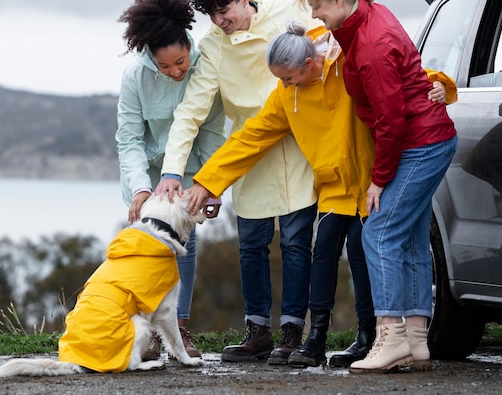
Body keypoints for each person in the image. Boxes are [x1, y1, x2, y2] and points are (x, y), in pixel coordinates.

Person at [184, 22, 456, 367]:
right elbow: (249, 139)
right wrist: (209, 181)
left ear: (309, 65)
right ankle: (315, 340)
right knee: (323, 259)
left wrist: (440, 85)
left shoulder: (347, 66)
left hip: (374, 184)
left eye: (288, 78)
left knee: (362, 258)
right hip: (332, 189)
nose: (283, 85)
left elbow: (405, 76)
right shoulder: (286, 96)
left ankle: (368, 338)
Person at [154, 0, 320, 365]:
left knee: (298, 242)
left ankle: (293, 331)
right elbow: (191, 111)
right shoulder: (212, 45)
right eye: (210, 14)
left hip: (300, 145)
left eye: (224, 11)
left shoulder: (289, 11)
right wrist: (172, 171)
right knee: (251, 245)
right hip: (248, 148)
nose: (218, 21)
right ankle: (258, 330)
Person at [296, 0, 458, 374]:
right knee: (413, 237)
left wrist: (379, 180)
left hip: (420, 143)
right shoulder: (366, 15)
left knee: (380, 231)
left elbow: (391, 120)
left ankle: (391, 337)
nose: (314, 15)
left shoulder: (371, 43)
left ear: (336, 1)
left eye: (316, 6)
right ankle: (417, 340)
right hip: (428, 138)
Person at [115, 0, 226, 359]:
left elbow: (211, 131)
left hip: (191, 174)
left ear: (188, 48)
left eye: (181, 62)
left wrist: (212, 184)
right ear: (150, 57)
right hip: (148, 178)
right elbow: (129, 140)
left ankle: (177, 329)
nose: (176, 71)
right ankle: (144, 331)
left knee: (185, 246)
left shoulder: (205, 64)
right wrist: (140, 191)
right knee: (145, 250)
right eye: (165, 66)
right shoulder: (135, 77)